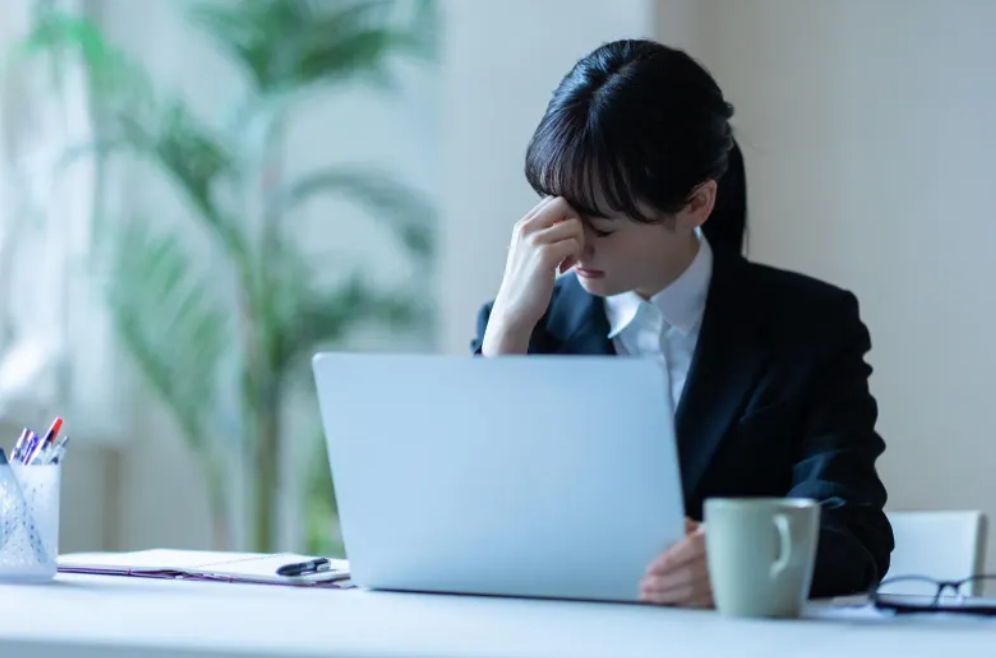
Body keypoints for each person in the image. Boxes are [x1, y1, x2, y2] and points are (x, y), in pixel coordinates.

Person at [470, 39, 894, 607]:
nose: (572, 251)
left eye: (602, 227)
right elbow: (468, 519)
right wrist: (505, 335)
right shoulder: (522, 330)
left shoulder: (810, 325)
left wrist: (743, 559)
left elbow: (855, 529)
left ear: (696, 203)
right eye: (559, 215)